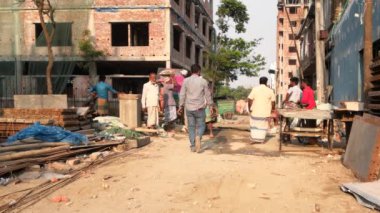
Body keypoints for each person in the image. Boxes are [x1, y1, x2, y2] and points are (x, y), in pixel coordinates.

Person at [179, 64, 213, 153]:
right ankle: (199, 136)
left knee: (191, 127)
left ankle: (193, 146)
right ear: (199, 71)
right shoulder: (203, 81)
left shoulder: (186, 81)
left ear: (191, 71)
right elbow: (208, 95)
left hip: (189, 108)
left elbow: (182, 94)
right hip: (200, 108)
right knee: (201, 125)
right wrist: (210, 105)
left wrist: (180, 106)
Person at [247, 77, 276, 143]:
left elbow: (249, 99)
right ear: (266, 82)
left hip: (255, 112)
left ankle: (254, 139)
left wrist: (249, 108)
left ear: (259, 82)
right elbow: (273, 102)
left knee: (254, 126)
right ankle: (261, 140)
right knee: (263, 126)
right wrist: (272, 109)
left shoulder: (255, 89)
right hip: (265, 113)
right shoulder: (270, 90)